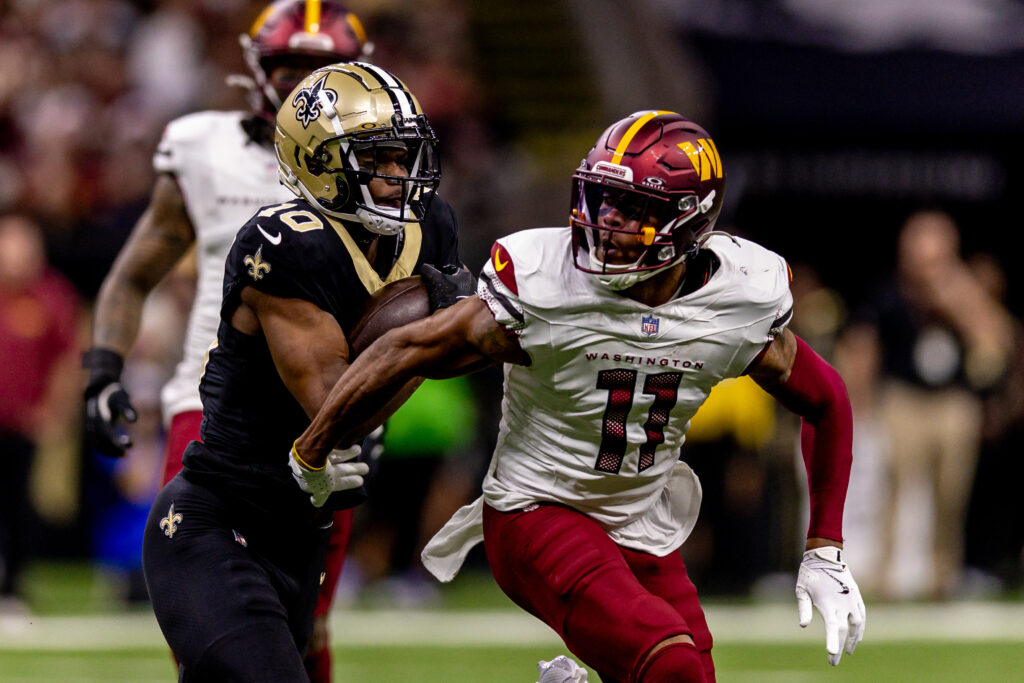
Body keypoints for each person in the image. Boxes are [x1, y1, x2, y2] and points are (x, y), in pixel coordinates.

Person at [292, 111, 867, 682]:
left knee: (689, 675)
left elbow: (825, 398)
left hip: (641, 521)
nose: (606, 223)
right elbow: (409, 346)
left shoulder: (737, 298)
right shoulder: (547, 285)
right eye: (602, 199)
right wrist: (312, 448)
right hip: (537, 509)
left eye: (633, 210)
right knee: (669, 666)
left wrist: (825, 548)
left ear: (690, 224)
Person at [140, 61, 467, 681]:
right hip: (218, 521)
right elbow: (334, 405)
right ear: (318, 160)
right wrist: (438, 335)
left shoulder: (432, 227)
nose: (400, 177)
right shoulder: (285, 239)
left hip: (302, 529)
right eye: (380, 159)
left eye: (405, 158)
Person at [80, 1, 370, 678]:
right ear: (257, 70)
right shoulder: (203, 147)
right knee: (203, 616)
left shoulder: (380, 166)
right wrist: (102, 368)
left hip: (322, 410)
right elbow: (135, 271)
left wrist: (369, 397)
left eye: (321, 70)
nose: (304, 85)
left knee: (305, 619)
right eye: (291, 66)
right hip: (209, 408)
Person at [839, 209, 1015, 600]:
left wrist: (959, 296)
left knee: (951, 492)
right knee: (894, 489)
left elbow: (999, 338)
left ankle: (942, 579)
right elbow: (864, 348)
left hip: (953, 403)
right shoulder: (889, 294)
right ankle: (882, 578)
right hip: (903, 399)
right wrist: (860, 401)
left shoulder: (963, 294)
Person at [0, 212, 81, 612]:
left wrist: (53, 413)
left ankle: (12, 589)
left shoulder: (52, 296)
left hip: (22, 427)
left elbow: (69, 361)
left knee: (19, 509)